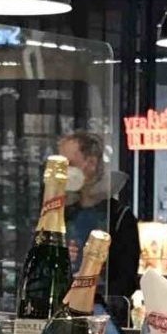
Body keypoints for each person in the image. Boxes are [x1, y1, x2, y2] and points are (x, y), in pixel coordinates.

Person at [58, 131, 142, 319]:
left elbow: (125, 280)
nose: (64, 173)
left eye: (70, 164)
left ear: (91, 163)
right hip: (63, 312)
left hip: (103, 316)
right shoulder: (64, 214)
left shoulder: (119, 218)